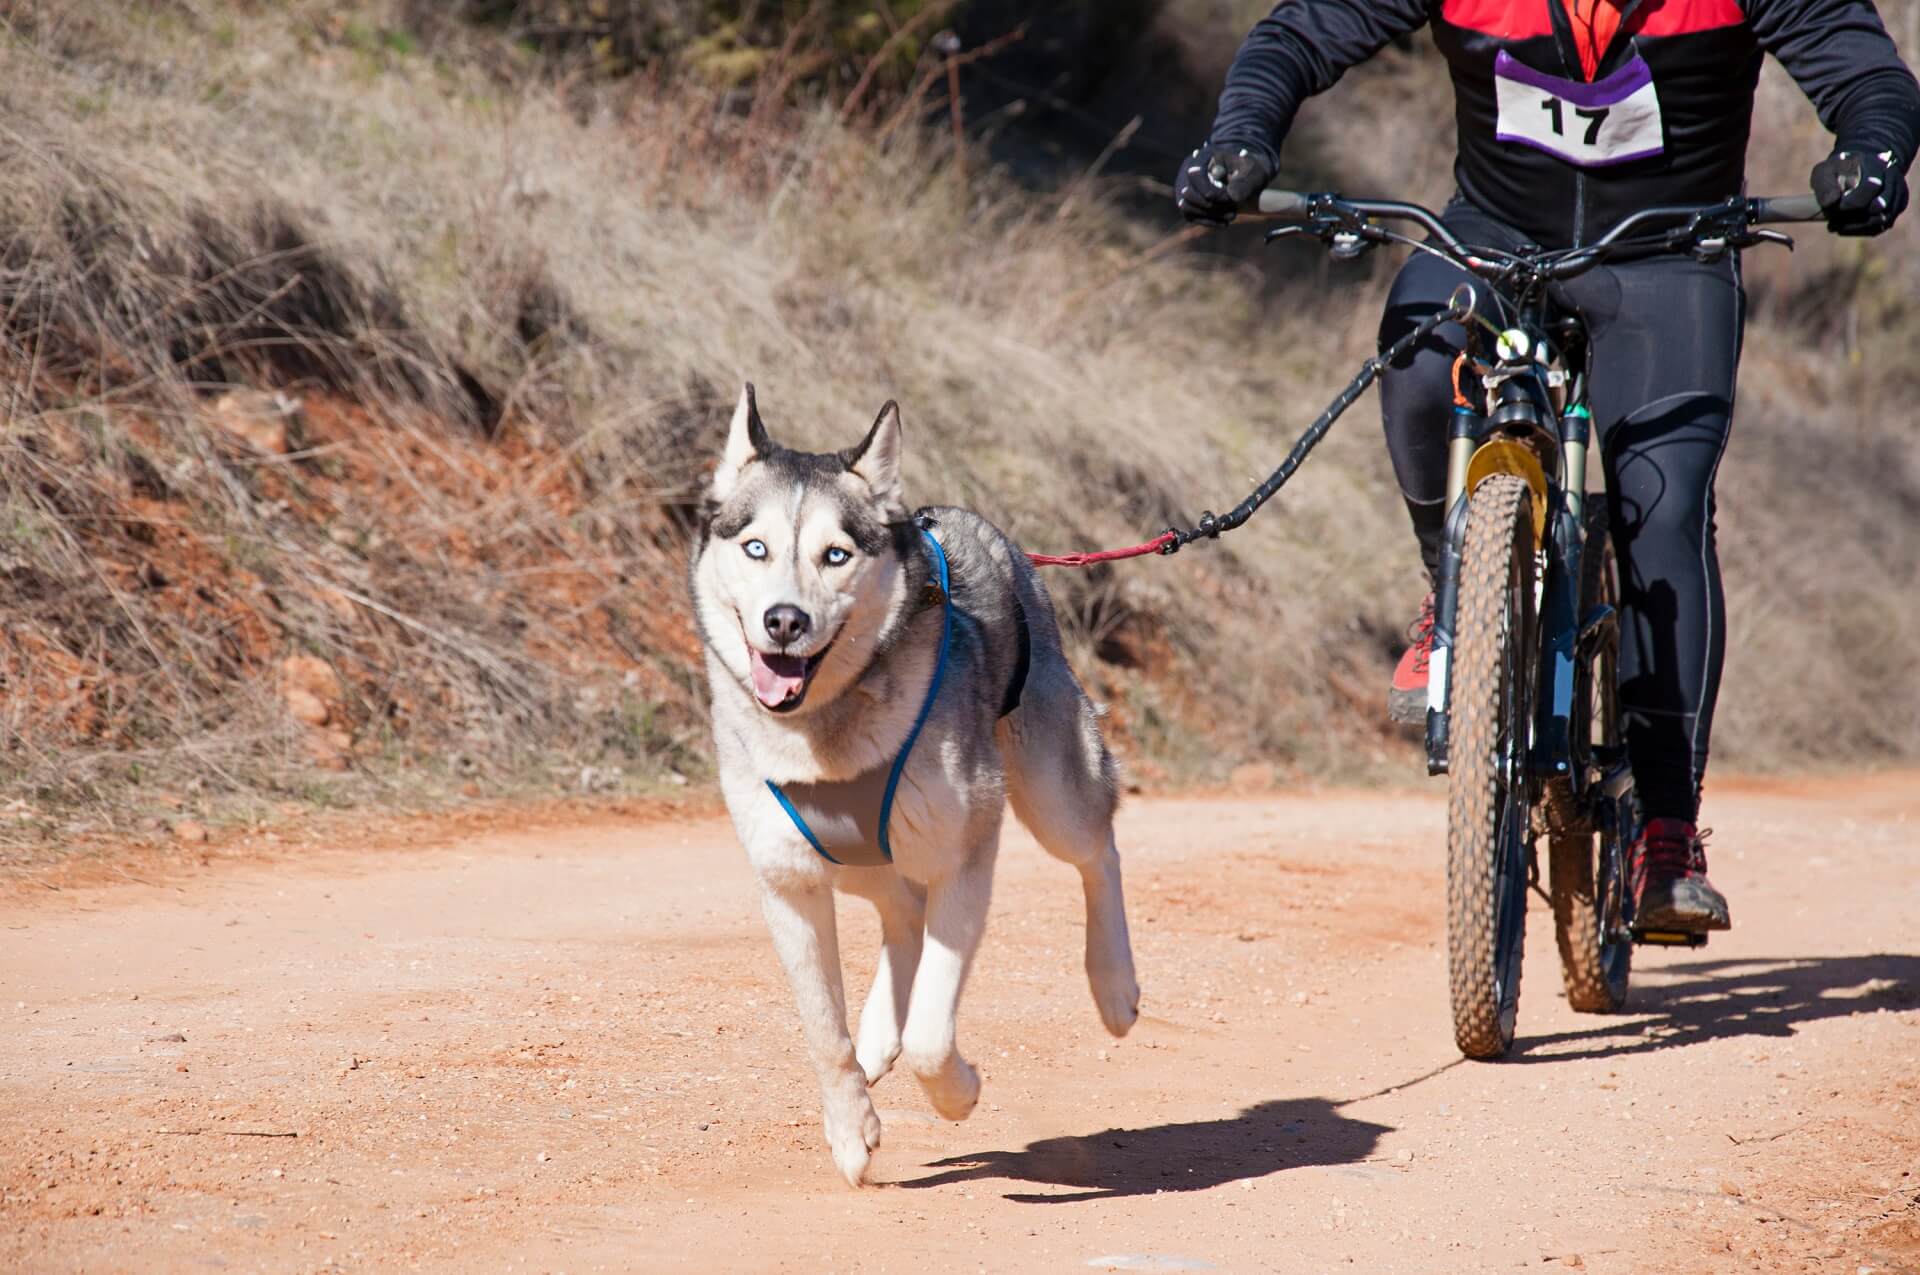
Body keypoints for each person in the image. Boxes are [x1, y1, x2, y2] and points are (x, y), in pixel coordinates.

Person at [1175, 0, 1920, 934]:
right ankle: (1453, 589)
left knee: (1664, 507)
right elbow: (1299, 35)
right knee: (1414, 366)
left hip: (1670, 260)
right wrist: (1239, 139)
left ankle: (1666, 832)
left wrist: (1874, 152)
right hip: (1488, 239)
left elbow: (1864, 72)